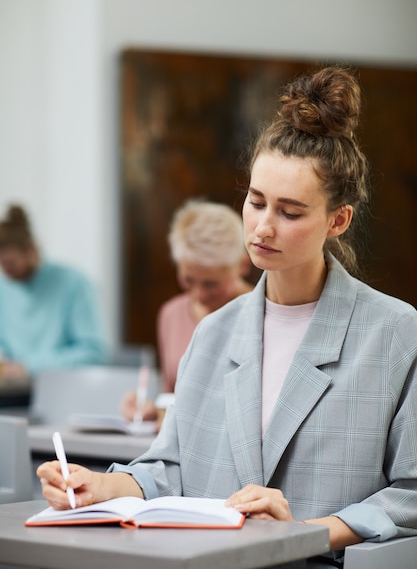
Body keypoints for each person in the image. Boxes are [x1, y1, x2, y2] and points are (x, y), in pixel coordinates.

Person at [37, 66, 417, 567]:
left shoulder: (394, 333)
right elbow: (170, 468)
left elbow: (410, 493)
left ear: (337, 219)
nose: (262, 227)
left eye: (290, 212)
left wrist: (306, 533)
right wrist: (99, 485)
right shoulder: (214, 333)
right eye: (255, 202)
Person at [121, 198, 254, 422]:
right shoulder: (171, 314)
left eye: (211, 284)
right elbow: (172, 397)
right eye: (188, 280)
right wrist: (152, 411)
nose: (199, 295)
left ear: (242, 265)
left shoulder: (260, 312)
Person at [0, 204, 108, 378]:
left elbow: (93, 352)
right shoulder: (4, 287)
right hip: (13, 390)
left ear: (31, 250)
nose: (6, 272)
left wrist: (29, 367)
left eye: (11, 264)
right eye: (1, 266)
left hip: (62, 388)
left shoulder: (74, 284)